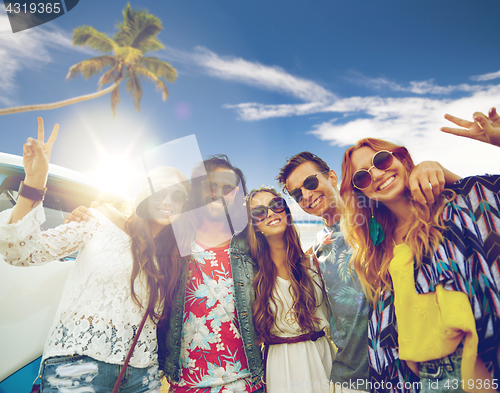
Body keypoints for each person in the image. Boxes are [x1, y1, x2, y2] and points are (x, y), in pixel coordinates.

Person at [0, 118, 192, 392]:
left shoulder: (175, 255)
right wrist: (34, 181)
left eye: (177, 195)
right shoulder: (98, 221)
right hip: (77, 365)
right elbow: (20, 251)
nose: (167, 201)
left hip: (143, 375)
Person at [339, 120, 500, 393]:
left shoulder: (456, 207)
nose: (376, 174)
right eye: (362, 177)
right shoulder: (378, 252)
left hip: (480, 365)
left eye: (381, 160)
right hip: (423, 380)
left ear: (400, 158)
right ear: (360, 192)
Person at [276, 152, 455, 393]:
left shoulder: (379, 214)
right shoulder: (318, 247)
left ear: (331, 176)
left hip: (408, 370)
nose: (306, 195)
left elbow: (455, 214)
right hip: (352, 379)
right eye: (297, 194)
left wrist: (432, 168)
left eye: (310, 183)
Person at [157, 155, 265, 392]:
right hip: (186, 384)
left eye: (228, 187)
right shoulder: (172, 242)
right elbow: (135, 230)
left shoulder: (252, 244)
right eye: (211, 185)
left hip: (245, 382)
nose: (219, 193)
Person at [246, 186, 333, 392]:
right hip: (281, 365)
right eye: (259, 212)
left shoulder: (315, 263)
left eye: (276, 205)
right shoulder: (251, 276)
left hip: (322, 356)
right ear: (255, 226)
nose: (270, 213)